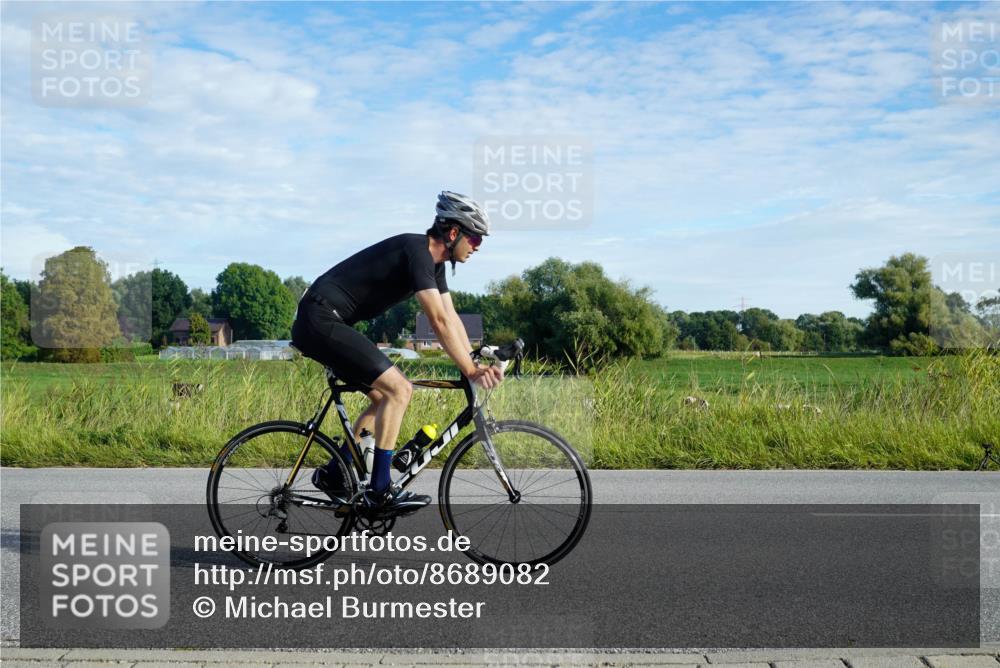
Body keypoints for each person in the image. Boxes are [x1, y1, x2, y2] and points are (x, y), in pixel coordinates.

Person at [291, 191, 503, 514]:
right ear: (453, 232)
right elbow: (437, 321)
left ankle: (336, 474)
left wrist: (473, 356)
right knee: (400, 389)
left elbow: (452, 317)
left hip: (325, 320)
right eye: (475, 237)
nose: (477, 246)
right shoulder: (416, 251)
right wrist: (472, 371)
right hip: (318, 319)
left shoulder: (435, 265)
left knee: (382, 397)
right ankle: (379, 490)